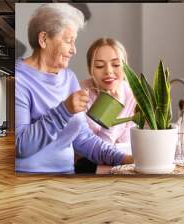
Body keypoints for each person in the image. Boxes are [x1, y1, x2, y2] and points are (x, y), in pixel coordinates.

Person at [15, 4, 133, 174]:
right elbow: (21, 146)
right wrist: (64, 111)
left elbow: (83, 139)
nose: (74, 50)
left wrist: (125, 159)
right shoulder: (19, 78)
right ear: (43, 40)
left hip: (67, 176)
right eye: (68, 41)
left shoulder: (68, 77)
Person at [81, 38, 136, 145]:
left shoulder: (131, 94)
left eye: (116, 65)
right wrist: (112, 110)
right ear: (89, 69)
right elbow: (93, 149)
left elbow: (126, 144)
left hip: (122, 159)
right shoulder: (82, 94)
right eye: (99, 66)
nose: (108, 71)